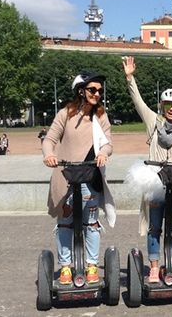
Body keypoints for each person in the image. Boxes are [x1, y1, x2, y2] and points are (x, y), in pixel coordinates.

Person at [123, 56, 172, 283]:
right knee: (155, 226)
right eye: (167, 105)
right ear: (162, 106)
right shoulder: (153, 121)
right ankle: (154, 267)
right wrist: (129, 78)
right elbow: (138, 102)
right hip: (155, 181)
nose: (171, 109)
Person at [42, 71, 116, 285]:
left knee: (91, 223)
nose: (97, 94)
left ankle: (92, 265)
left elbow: (108, 142)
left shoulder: (100, 116)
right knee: (65, 222)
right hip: (65, 176)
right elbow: (50, 139)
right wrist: (49, 154)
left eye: (100, 91)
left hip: (89, 175)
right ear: (81, 91)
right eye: (93, 90)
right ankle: (65, 267)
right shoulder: (66, 113)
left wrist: (103, 152)